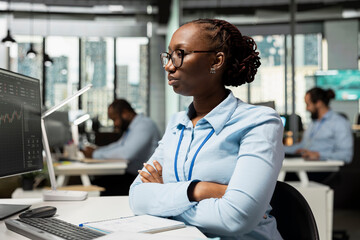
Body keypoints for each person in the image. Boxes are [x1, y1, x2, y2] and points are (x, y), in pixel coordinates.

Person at [129, 19, 284, 239]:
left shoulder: (259, 122)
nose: (169, 66)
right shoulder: (177, 124)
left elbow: (235, 217)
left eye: (180, 54)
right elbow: (137, 197)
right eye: (169, 55)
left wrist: (164, 199)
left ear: (216, 60)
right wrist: (199, 190)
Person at [82, 99, 161, 195]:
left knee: (98, 187)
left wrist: (95, 154)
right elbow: (119, 145)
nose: (115, 124)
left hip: (141, 179)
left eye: (115, 119)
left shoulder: (144, 125)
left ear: (125, 113)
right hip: (132, 175)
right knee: (96, 183)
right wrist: (97, 150)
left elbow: (126, 153)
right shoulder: (133, 126)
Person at [285, 87, 353, 163]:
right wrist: (278, 149)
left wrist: (319, 155)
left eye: (308, 104)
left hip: (324, 169)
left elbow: (346, 156)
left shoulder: (339, 123)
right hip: (306, 165)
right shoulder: (313, 123)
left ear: (318, 103)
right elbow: (302, 146)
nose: (306, 108)